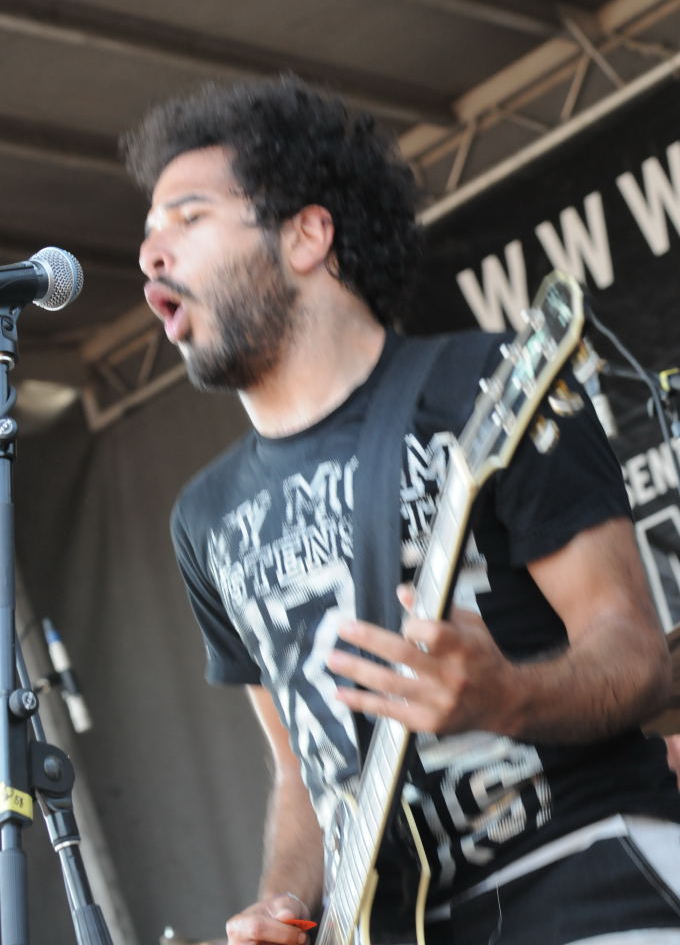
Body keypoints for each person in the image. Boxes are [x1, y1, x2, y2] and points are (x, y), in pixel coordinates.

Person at [123, 75, 680, 945]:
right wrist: (282, 902)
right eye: (148, 234)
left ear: (307, 236)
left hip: (581, 868)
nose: (151, 255)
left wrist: (507, 696)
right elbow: (304, 773)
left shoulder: (486, 384)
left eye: (188, 218)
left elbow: (637, 655)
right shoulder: (206, 517)